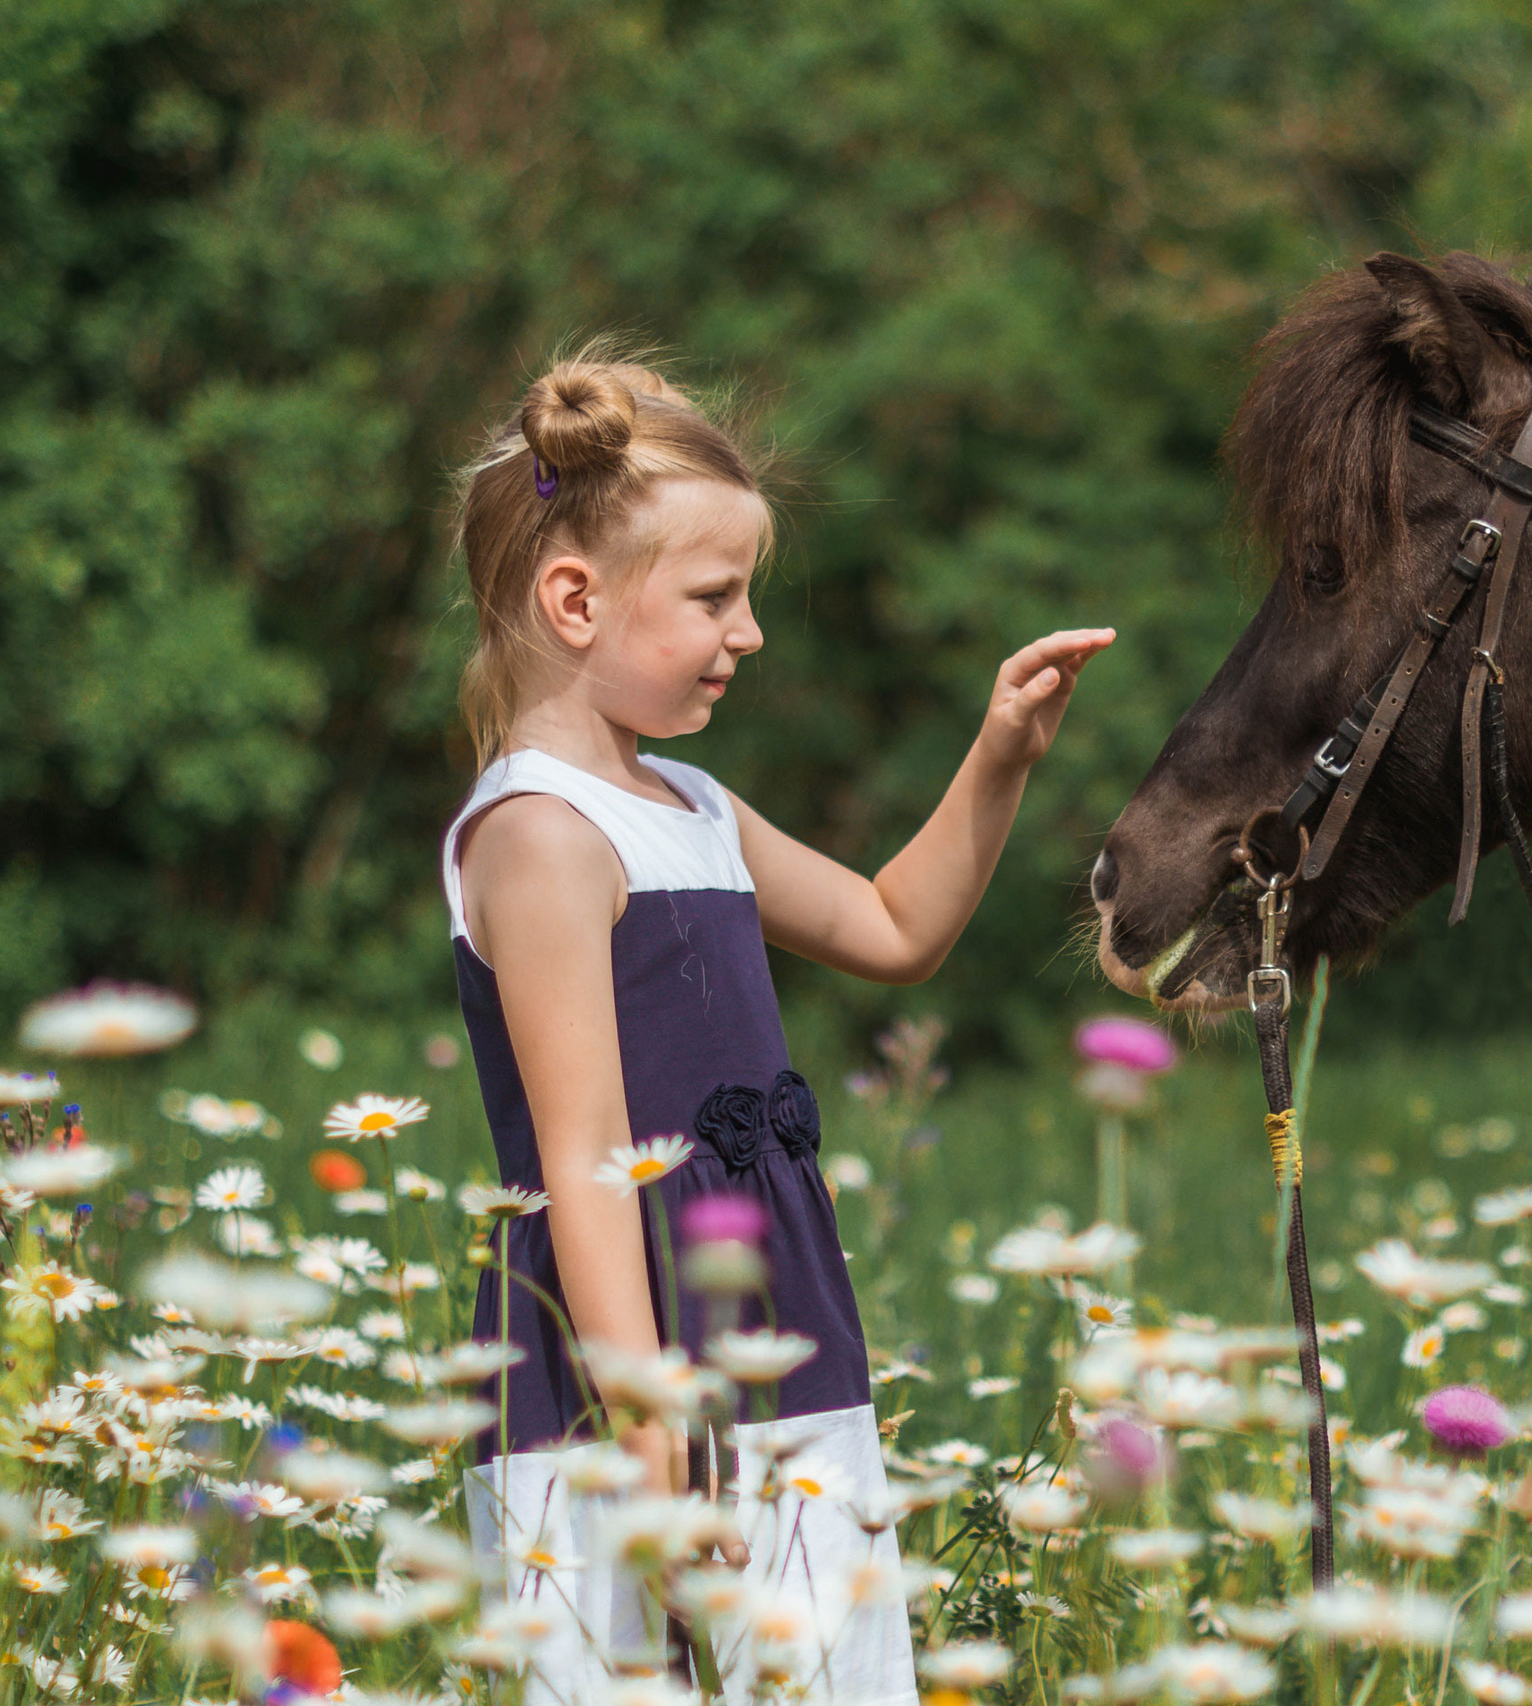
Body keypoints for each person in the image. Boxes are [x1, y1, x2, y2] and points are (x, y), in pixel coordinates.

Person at [440, 351, 1110, 1704]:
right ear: (573, 600)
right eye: (712, 597)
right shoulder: (538, 835)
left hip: (780, 1342)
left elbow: (890, 927)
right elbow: (585, 1159)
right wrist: (647, 1423)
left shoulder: (693, 803)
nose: (746, 632)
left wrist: (998, 758)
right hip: (622, 1386)